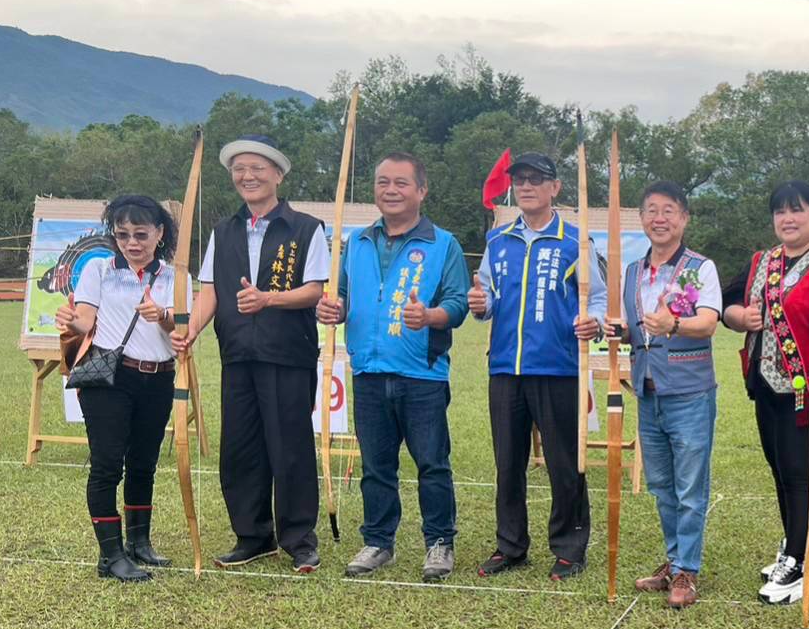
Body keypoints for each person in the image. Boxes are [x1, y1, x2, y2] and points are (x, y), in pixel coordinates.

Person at [172, 134, 329, 573]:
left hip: (287, 355)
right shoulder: (224, 231)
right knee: (241, 449)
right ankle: (253, 536)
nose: (248, 176)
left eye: (257, 168)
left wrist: (268, 300)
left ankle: (299, 539)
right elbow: (212, 291)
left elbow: (315, 289)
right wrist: (190, 331)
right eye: (239, 170)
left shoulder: (305, 228)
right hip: (238, 354)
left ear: (277, 174)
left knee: (290, 448)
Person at [315, 153, 471, 581]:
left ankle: (439, 542)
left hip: (421, 373)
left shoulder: (444, 244)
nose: (391, 190)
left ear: (421, 190)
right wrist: (333, 309)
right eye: (383, 182)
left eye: (401, 183)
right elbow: (342, 296)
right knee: (376, 465)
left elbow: (458, 306)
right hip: (367, 370)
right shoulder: (357, 242)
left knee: (431, 463)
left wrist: (430, 317)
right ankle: (378, 541)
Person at [467, 151, 605, 581]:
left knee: (565, 462)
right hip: (506, 367)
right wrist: (480, 303)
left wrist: (594, 320)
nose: (525, 186)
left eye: (535, 179)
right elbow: (487, 296)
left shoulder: (576, 242)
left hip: (558, 367)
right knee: (508, 462)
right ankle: (511, 546)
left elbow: (598, 298)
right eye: (519, 180)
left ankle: (569, 547)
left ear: (555, 188)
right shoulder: (498, 240)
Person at [722, 181, 809, 606]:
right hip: (766, 385)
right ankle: (798, 545)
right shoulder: (762, 263)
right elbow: (727, 303)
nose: (788, 219)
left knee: (801, 474)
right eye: (780, 212)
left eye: (797, 210)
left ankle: (798, 562)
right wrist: (740, 317)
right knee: (780, 471)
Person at [56, 196, 187, 581]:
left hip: (159, 377)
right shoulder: (99, 268)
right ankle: (110, 555)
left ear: (159, 233)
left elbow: (182, 333)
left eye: (141, 234)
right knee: (107, 465)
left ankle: (139, 543)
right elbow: (85, 321)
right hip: (111, 379)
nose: (132, 242)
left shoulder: (177, 277)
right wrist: (71, 321)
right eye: (123, 234)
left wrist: (162, 317)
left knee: (144, 463)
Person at [609, 182, 721, 609]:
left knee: (691, 487)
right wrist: (618, 331)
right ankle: (675, 560)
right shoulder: (634, 272)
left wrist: (673, 324)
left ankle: (687, 570)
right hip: (647, 390)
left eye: (669, 210)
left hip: (689, 391)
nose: (660, 218)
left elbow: (709, 322)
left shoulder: (700, 267)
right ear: (642, 219)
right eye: (652, 210)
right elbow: (635, 328)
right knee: (661, 485)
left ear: (684, 218)